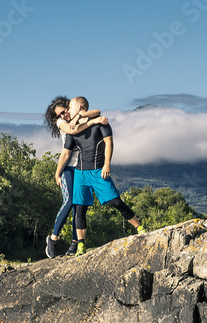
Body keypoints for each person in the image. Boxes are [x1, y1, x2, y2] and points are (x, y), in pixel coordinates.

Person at [59, 96, 146, 256]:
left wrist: (107, 164)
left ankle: (139, 228)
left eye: (70, 108)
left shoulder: (100, 122)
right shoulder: (72, 129)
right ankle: (81, 245)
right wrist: (58, 173)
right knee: (80, 208)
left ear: (78, 108)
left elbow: (109, 143)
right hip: (80, 172)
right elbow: (66, 152)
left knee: (115, 201)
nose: (68, 111)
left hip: (98, 170)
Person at [43, 96, 108, 258]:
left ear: (69, 107)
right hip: (68, 168)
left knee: (79, 205)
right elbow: (69, 140)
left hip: (82, 167)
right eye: (58, 115)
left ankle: (75, 243)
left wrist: (80, 116)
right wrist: (57, 173)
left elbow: (97, 111)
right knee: (70, 201)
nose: (62, 116)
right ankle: (53, 238)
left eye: (64, 112)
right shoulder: (62, 124)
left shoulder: (77, 116)